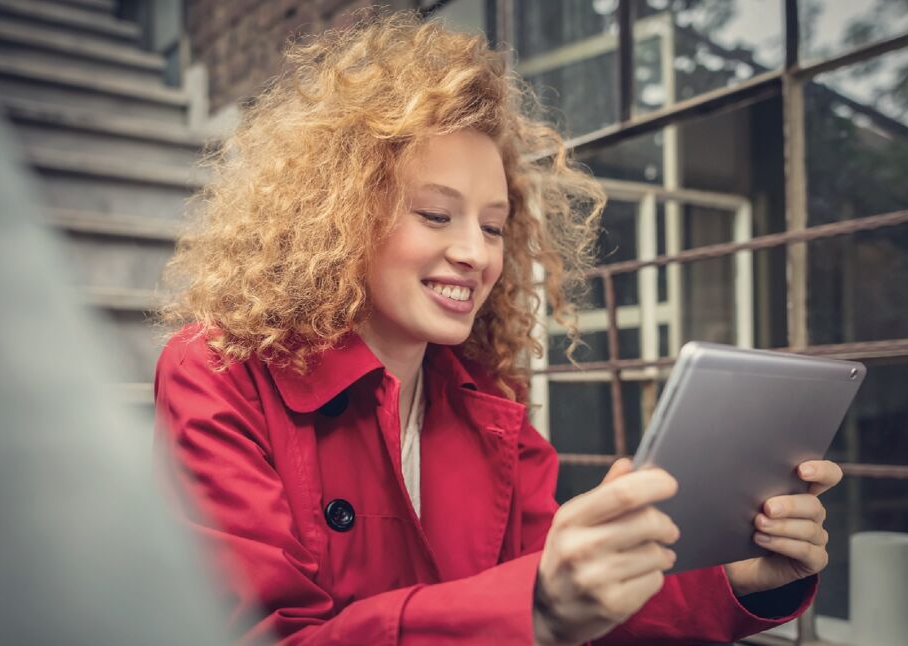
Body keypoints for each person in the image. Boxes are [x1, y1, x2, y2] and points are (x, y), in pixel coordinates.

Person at [154, 10, 840, 645]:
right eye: (435, 214)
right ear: (337, 216)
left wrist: (738, 580)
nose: (476, 254)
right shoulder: (218, 374)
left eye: (493, 225)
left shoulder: (491, 409)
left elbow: (580, 607)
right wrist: (534, 605)